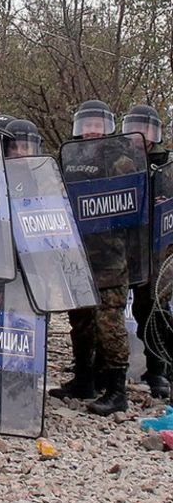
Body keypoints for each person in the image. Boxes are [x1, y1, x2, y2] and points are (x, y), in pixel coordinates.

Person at [51, 100, 135, 415]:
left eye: (96, 124)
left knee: (109, 323)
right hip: (78, 253)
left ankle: (117, 390)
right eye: (86, 124)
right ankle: (84, 379)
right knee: (80, 320)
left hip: (111, 257)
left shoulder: (121, 161)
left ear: (107, 127)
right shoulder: (71, 162)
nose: (90, 131)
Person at [123, 104, 172, 399]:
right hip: (124, 247)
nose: (140, 136)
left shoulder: (166, 166)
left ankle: (158, 369)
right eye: (133, 128)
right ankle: (104, 369)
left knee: (152, 308)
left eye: (146, 129)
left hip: (157, 251)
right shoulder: (116, 161)